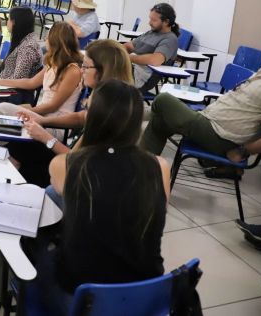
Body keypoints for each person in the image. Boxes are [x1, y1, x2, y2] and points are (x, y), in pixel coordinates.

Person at [31, 80, 170, 313]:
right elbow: (157, 210)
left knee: (34, 253)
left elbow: (70, 195)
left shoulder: (64, 165)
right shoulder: (160, 166)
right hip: (146, 293)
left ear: (92, 119)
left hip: (82, 297)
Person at [141, 16, 261, 174]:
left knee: (163, 100)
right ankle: (142, 172)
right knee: (160, 120)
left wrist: (243, 151)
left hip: (222, 137)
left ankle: (133, 116)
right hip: (209, 120)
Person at [8, 39, 134, 186]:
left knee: (23, 154)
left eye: (86, 67)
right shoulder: (106, 95)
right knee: (19, 146)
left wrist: (45, 137)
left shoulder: (109, 108)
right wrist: (42, 121)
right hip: (77, 161)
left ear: (102, 70)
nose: (81, 71)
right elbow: (81, 117)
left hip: (84, 177)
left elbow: (75, 159)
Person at [0, 21, 83, 139]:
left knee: (2, 109)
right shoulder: (54, 64)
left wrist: (30, 111)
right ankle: (6, 145)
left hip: (54, 124)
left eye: (47, 36)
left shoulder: (72, 71)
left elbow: (53, 106)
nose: (45, 39)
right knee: (2, 111)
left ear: (55, 41)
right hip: (42, 116)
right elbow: (31, 83)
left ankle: (5, 146)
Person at [123, 3, 180, 92]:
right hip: (131, 68)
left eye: (154, 20)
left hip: (140, 78)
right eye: (150, 19)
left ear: (166, 22)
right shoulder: (151, 33)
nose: (149, 23)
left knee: (101, 71)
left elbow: (155, 60)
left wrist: (126, 57)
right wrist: (117, 51)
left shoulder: (170, 39)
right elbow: (128, 46)